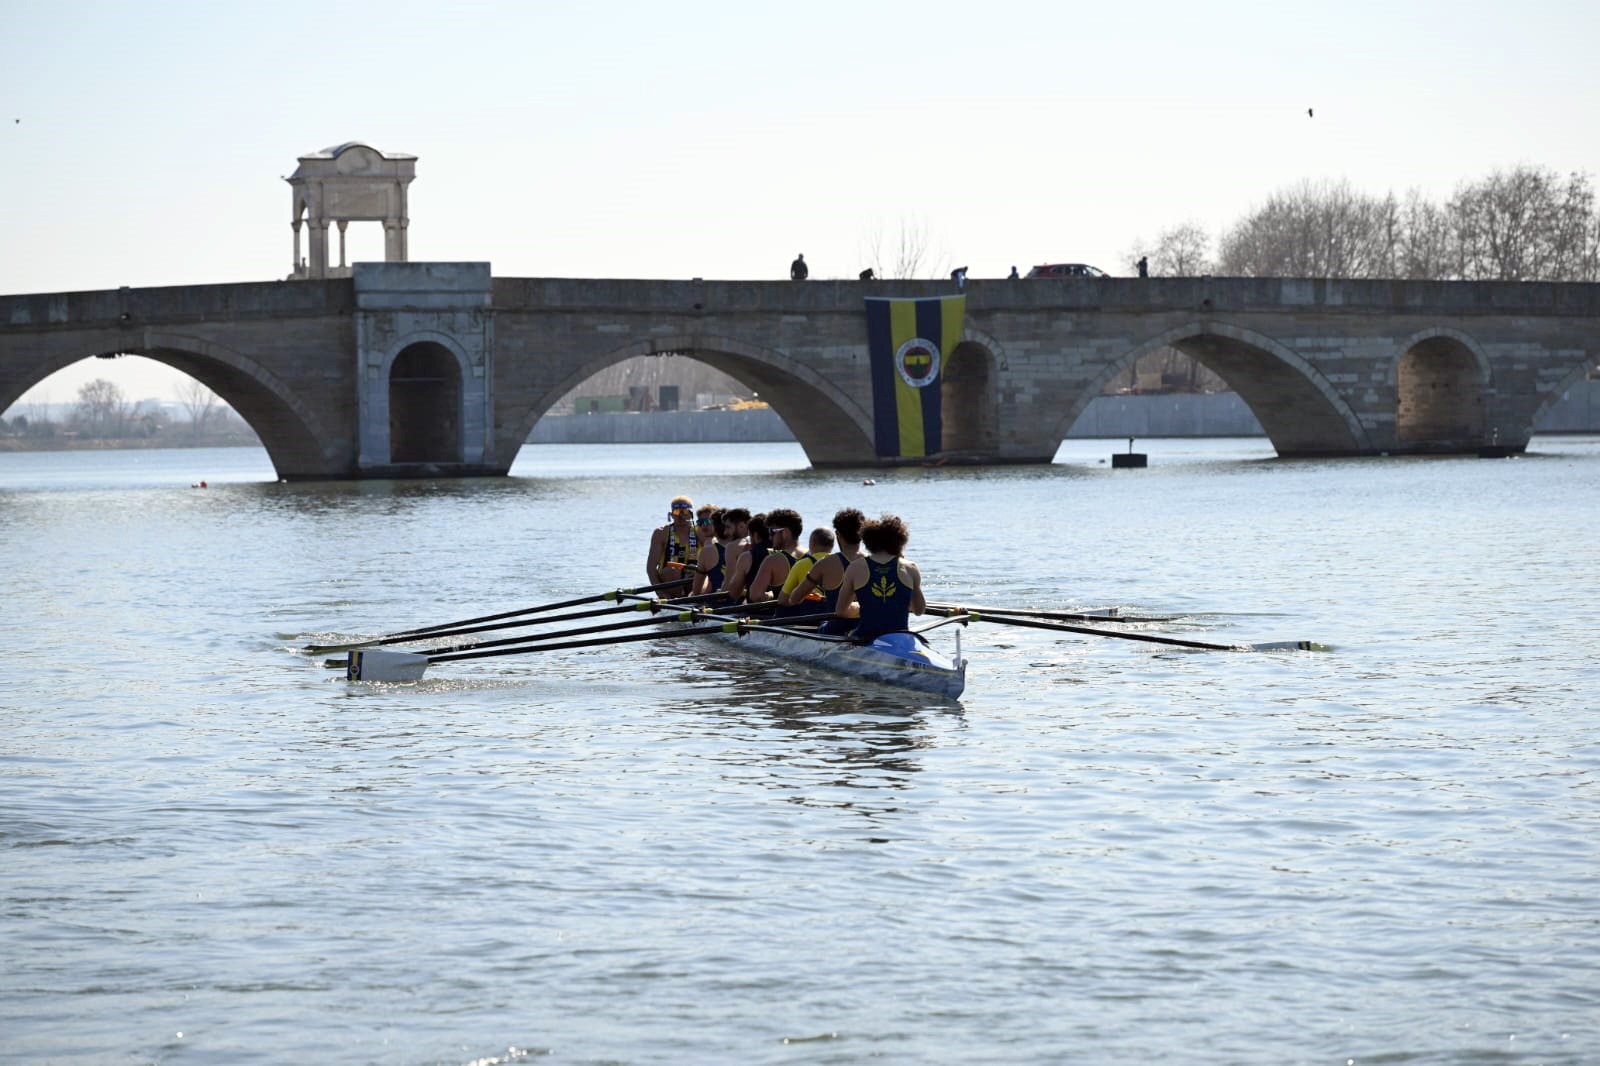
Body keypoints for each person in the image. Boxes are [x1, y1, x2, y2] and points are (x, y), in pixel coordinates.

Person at [834, 513, 925, 642]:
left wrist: (862, 607)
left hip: (865, 637)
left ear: (867, 540)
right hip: (901, 638)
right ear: (899, 541)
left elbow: (841, 611)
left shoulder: (855, 568)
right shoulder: (911, 568)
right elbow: (919, 610)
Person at [784, 507, 865, 617]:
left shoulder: (824, 564)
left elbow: (794, 599)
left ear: (838, 535)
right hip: (864, 626)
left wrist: (810, 595)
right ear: (862, 535)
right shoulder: (872, 562)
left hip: (834, 627)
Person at [746, 508, 803, 603]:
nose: (770, 537)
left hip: (784, 616)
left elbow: (756, 596)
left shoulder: (772, 560)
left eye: (772, 532)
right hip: (811, 615)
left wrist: (770, 595)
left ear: (786, 532)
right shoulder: (813, 557)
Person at [776, 526, 836, 615]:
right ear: (832, 545)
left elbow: (783, 600)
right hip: (834, 616)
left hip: (809, 620)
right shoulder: (841, 564)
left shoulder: (801, 564)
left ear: (812, 543)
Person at [646, 495, 700, 588]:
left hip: (694, 580)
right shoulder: (661, 533)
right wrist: (659, 591)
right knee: (672, 570)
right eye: (677, 511)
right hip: (670, 581)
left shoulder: (701, 531)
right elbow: (651, 568)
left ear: (691, 514)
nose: (681, 516)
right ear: (671, 515)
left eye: (685, 511)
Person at [694, 506, 749, 595]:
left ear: (714, 527)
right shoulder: (748, 546)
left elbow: (696, 591)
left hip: (718, 603)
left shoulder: (707, 551)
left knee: (691, 595)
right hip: (745, 602)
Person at [720, 513, 769, 603]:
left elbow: (734, 593)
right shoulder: (784, 554)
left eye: (750, 536)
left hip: (754, 612)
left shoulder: (747, 556)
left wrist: (739, 561)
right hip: (783, 612)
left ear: (756, 536)